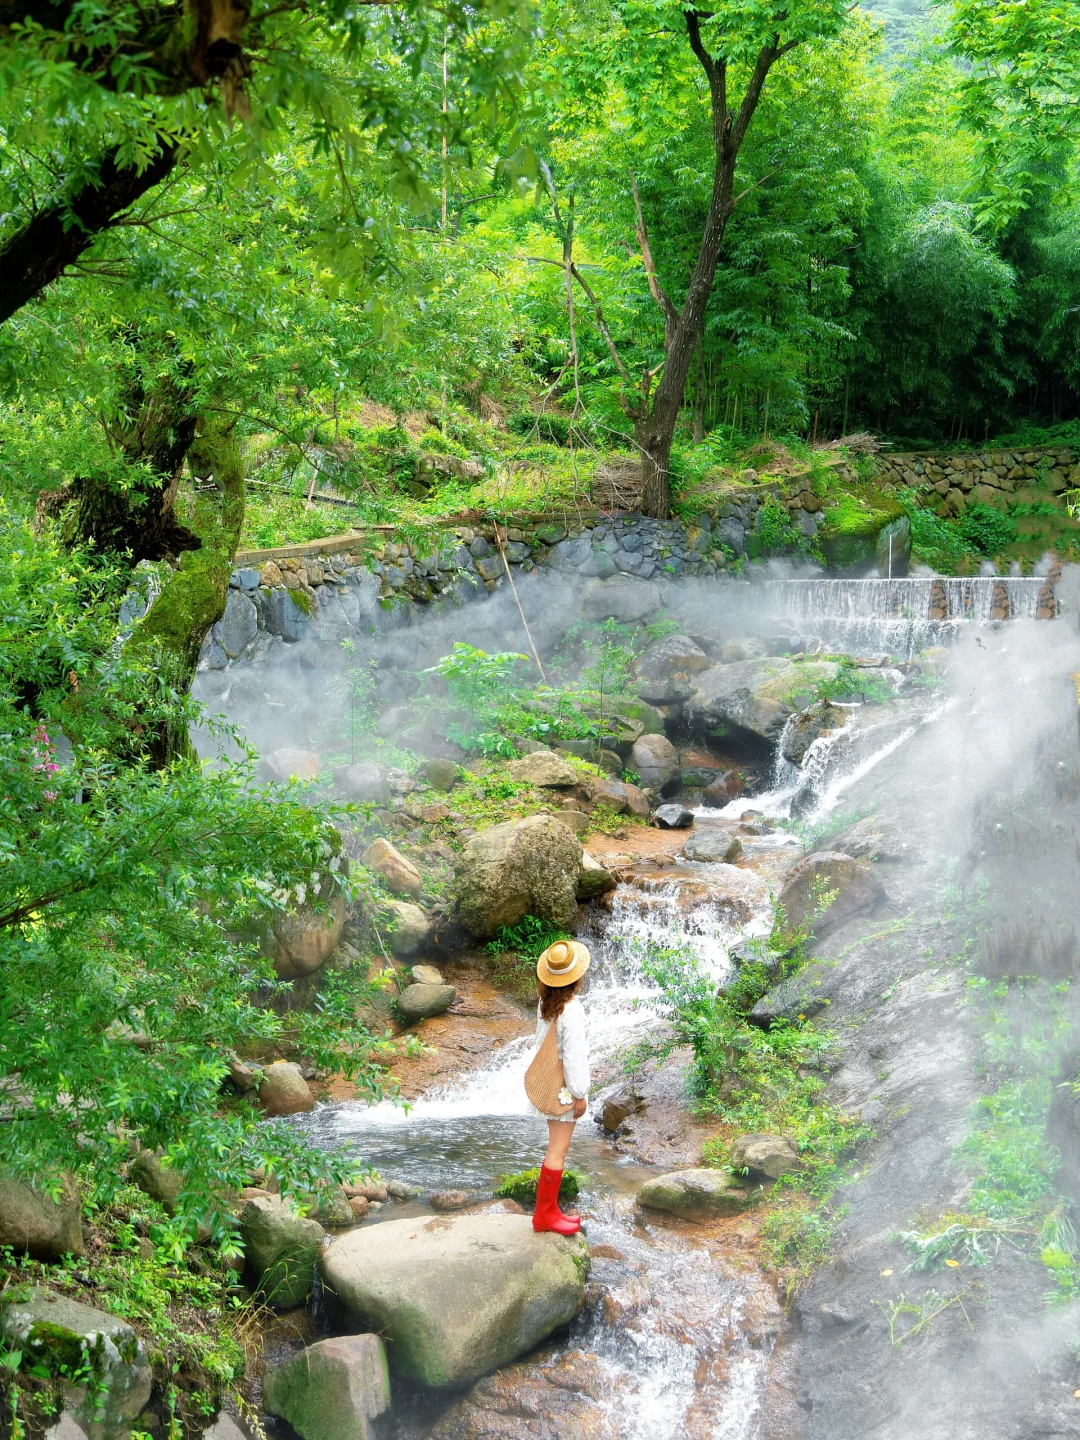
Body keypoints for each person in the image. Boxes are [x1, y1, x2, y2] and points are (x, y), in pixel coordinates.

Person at [528, 938, 591, 1235]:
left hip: (548, 1081)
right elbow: (574, 1055)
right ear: (576, 977)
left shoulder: (546, 1003)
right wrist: (580, 1094)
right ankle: (545, 1216)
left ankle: (549, 1211)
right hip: (564, 1086)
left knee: (555, 1149)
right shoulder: (573, 1009)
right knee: (558, 1150)